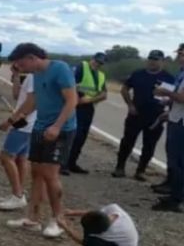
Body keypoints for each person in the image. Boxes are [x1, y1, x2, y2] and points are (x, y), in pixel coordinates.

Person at [0, 43, 78, 238]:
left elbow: (72, 100)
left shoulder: (60, 69)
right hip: (40, 128)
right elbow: (32, 102)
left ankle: (57, 220)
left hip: (61, 130)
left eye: (21, 64)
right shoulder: (36, 74)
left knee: (50, 174)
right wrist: (12, 120)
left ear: (32, 57)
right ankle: (32, 219)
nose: (21, 68)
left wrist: (57, 126)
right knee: (36, 173)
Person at [112, 50, 176, 181]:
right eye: (151, 58)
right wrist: (130, 105)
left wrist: (169, 112)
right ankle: (119, 167)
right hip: (136, 114)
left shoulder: (168, 78)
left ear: (162, 61)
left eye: (156, 59)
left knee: (150, 145)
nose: (152, 61)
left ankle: (140, 171)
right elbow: (124, 89)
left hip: (156, 117)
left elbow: (173, 98)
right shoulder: (138, 74)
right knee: (127, 142)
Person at [0, 64, 37, 210]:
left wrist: (10, 121)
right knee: (20, 159)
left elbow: (32, 103)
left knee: (5, 157)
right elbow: (17, 96)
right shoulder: (30, 76)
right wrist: (16, 76)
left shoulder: (34, 77)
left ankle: (18, 195)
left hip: (25, 124)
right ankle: (19, 194)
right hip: (28, 125)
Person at [151, 44, 184, 212]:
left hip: (181, 124)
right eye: (179, 53)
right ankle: (175, 194)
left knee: (177, 162)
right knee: (175, 161)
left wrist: (166, 92)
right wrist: (169, 108)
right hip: (176, 118)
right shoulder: (181, 73)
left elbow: (182, 98)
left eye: (181, 54)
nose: (179, 57)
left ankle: (176, 199)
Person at [64, 52, 108, 175]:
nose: (97, 64)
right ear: (92, 59)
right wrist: (78, 98)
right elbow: (71, 84)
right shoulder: (81, 67)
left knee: (81, 137)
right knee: (72, 135)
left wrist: (89, 100)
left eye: (100, 63)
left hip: (88, 107)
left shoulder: (100, 75)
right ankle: (63, 164)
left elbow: (104, 94)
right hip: (75, 106)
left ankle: (72, 163)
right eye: (96, 61)